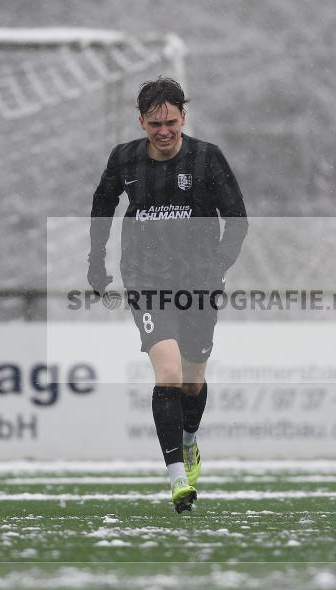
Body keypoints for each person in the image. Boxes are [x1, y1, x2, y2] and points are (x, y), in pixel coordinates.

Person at [88, 77, 248, 513]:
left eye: (171, 122)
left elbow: (237, 219)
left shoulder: (207, 159)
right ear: (141, 121)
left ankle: (190, 442)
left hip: (198, 281)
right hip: (146, 278)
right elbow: (102, 206)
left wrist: (216, 267)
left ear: (183, 118)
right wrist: (95, 262)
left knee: (193, 380)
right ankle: (177, 479)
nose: (163, 131)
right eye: (155, 123)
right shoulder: (124, 159)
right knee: (168, 371)